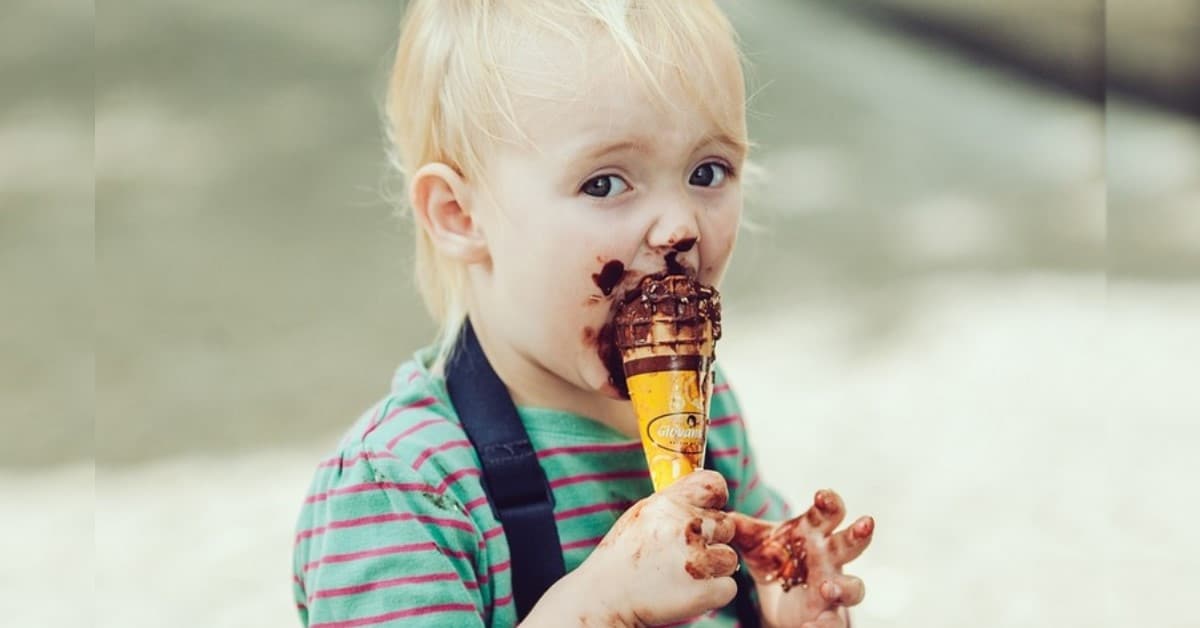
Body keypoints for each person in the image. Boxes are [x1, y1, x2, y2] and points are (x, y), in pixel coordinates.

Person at [292, 1, 873, 626]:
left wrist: (782, 602)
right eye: (605, 183)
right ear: (460, 216)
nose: (679, 227)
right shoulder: (407, 491)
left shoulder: (707, 413)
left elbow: (750, 583)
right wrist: (597, 610)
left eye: (707, 171)